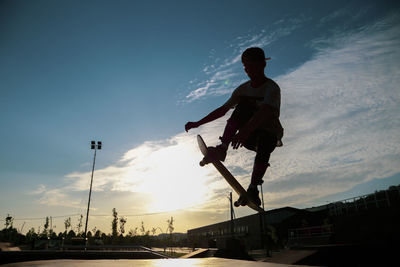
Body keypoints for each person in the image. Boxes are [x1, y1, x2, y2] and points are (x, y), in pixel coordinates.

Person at [185, 47, 283, 206]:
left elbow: (265, 112)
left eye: (251, 67)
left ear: (263, 65)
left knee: (266, 139)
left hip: (268, 134)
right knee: (243, 104)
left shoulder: (272, 88)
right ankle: (222, 148)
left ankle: (253, 188)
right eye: (245, 67)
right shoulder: (243, 89)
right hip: (246, 137)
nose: (248, 71)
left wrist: (245, 130)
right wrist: (198, 123)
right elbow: (223, 110)